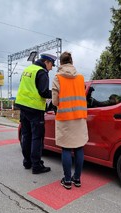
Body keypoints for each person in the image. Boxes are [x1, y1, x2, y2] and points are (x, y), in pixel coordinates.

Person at [52, 51, 88, 189]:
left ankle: (67, 181)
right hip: (79, 117)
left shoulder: (57, 77)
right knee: (79, 148)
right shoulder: (80, 78)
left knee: (66, 149)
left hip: (65, 118)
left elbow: (55, 101)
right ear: (72, 62)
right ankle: (77, 179)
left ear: (61, 63)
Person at [15, 53, 56, 174]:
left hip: (23, 107)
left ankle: (27, 162)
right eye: (51, 65)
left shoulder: (28, 69)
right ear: (46, 62)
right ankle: (37, 165)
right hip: (34, 109)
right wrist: (55, 93)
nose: (52, 68)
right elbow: (43, 92)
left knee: (26, 136)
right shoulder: (41, 72)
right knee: (37, 137)